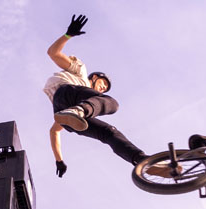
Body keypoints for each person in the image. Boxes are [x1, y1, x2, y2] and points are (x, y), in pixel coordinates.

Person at [44, 14, 147, 177]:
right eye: (103, 84)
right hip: (66, 93)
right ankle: (78, 111)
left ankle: (142, 161)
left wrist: (59, 160)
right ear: (94, 77)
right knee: (112, 103)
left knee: (109, 132)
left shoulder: (68, 115)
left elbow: (54, 131)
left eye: (105, 88)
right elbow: (53, 53)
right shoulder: (80, 72)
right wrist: (68, 35)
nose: (103, 88)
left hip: (63, 111)